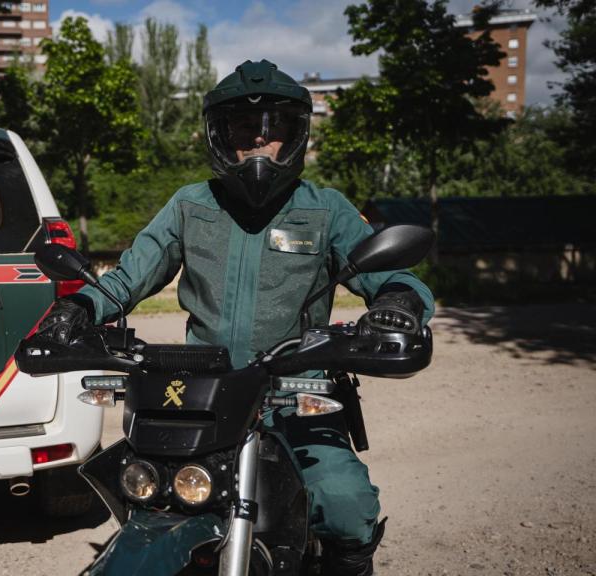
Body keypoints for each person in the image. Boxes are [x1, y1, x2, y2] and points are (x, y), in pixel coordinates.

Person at [37, 59, 434, 575]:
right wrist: (75, 308)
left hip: (295, 396)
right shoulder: (190, 205)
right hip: (203, 396)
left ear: (295, 136)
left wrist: (396, 308)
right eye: (244, 129)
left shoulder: (325, 209)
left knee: (345, 505)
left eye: (273, 130)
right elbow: (126, 278)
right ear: (220, 136)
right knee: (143, 492)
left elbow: (396, 278)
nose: (257, 142)